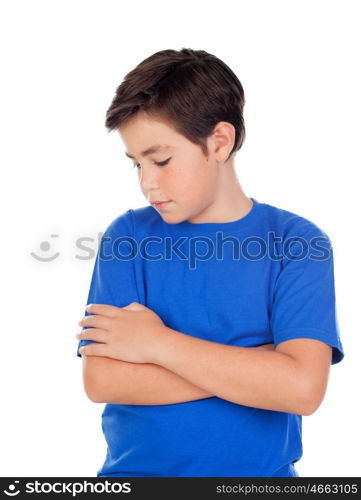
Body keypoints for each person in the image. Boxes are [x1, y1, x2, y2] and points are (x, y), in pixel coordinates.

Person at [75, 48, 344, 477]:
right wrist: (260, 370)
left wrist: (157, 346)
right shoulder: (128, 237)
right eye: (136, 164)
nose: (147, 183)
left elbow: (302, 390)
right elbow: (103, 380)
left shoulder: (298, 243)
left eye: (161, 160)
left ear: (219, 141)